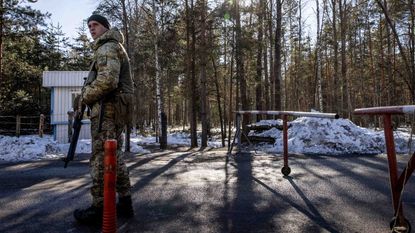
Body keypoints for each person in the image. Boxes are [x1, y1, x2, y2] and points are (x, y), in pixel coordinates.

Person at [73, 14, 135, 224]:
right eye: (89, 25)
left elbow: (108, 81)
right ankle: (125, 203)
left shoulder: (107, 46)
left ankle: (99, 208)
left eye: (95, 25)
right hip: (113, 111)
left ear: (105, 27)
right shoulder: (111, 45)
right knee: (114, 156)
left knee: (101, 158)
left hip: (107, 112)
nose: (91, 29)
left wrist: (84, 96)